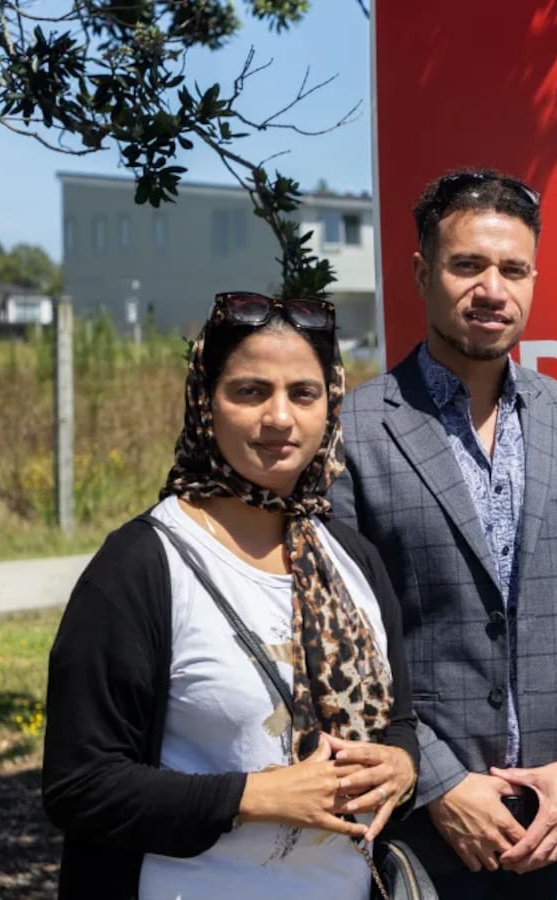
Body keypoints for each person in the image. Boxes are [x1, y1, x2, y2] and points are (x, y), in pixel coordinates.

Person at [331, 169, 557, 899]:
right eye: (466, 265)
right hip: (427, 835)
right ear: (422, 272)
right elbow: (348, 637)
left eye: (513, 269)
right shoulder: (352, 431)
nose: (491, 289)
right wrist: (438, 782)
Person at [43, 292, 419, 899]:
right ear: (204, 402)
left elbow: (399, 721)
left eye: (304, 393)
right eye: (249, 392)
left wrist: (402, 764)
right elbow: (80, 785)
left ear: (331, 404)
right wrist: (252, 796)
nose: (280, 418)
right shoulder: (141, 566)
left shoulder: (353, 558)